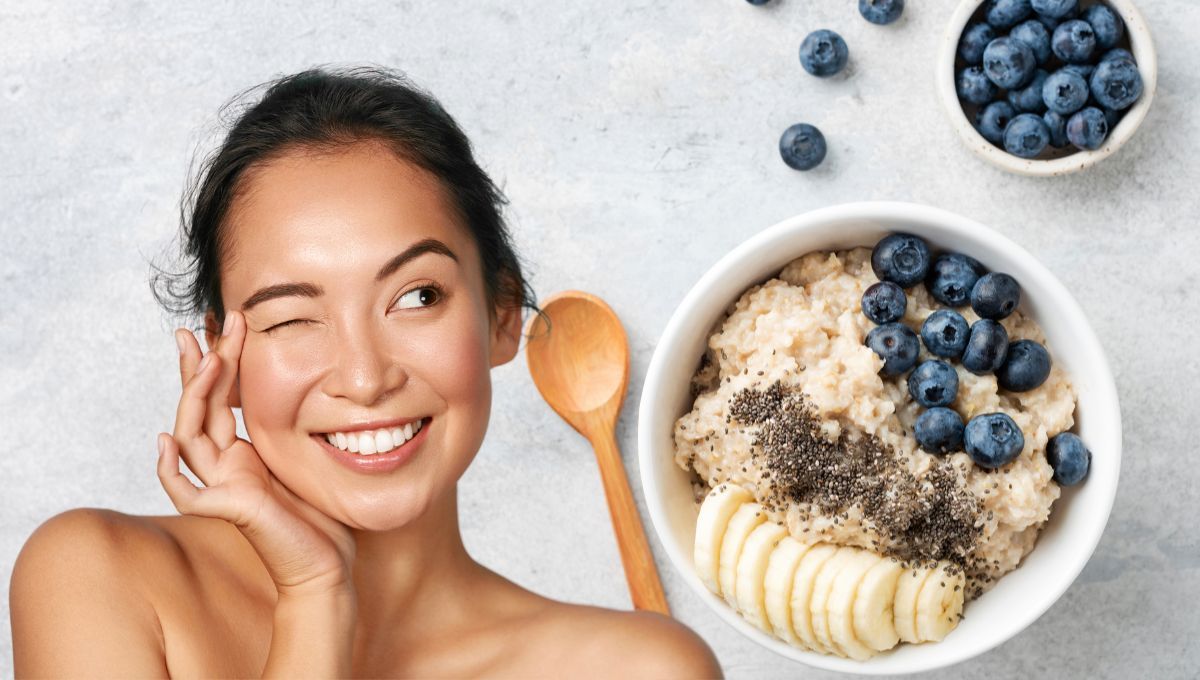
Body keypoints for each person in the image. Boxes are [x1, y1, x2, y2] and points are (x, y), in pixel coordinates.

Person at [10, 66, 722, 678]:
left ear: (503, 315)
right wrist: (314, 592)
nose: (364, 376)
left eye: (417, 297)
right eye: (291, 317)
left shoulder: (638, 668)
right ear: (222, 356)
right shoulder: (97, 577)